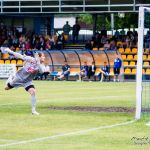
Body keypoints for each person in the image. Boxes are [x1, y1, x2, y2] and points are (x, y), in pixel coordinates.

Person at [1, 46, 46, 115]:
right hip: (18, 78)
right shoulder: (31, 59)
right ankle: (11, 78)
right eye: (43, 56)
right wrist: (10, 51)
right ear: (39, 57)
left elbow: (42, 71)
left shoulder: (41, 65)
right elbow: (20, 56)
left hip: (27, 81)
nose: (44, 58)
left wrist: (38, 62)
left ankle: (33, 111)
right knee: (6, 88)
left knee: (33, 92)